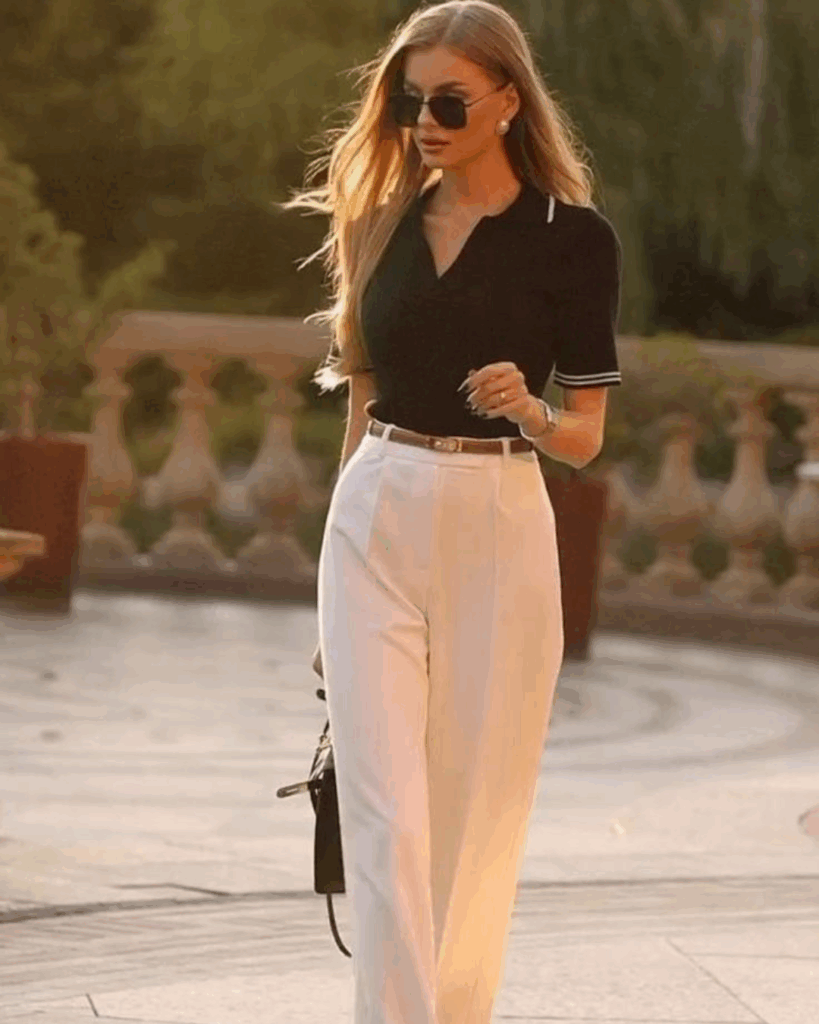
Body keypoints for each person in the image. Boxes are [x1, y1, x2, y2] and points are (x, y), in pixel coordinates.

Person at [280, 2, 622, 1020]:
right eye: (405, 99)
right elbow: (363, 395)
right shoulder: (379, 220)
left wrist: (530, 409)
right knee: (386, 812)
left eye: (447, 100)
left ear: (508, 101)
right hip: (378, 507)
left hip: (497, 517)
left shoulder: (575, 241)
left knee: (475, 816)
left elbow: (586, 435)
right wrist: (324, 592)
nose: (421, 120)